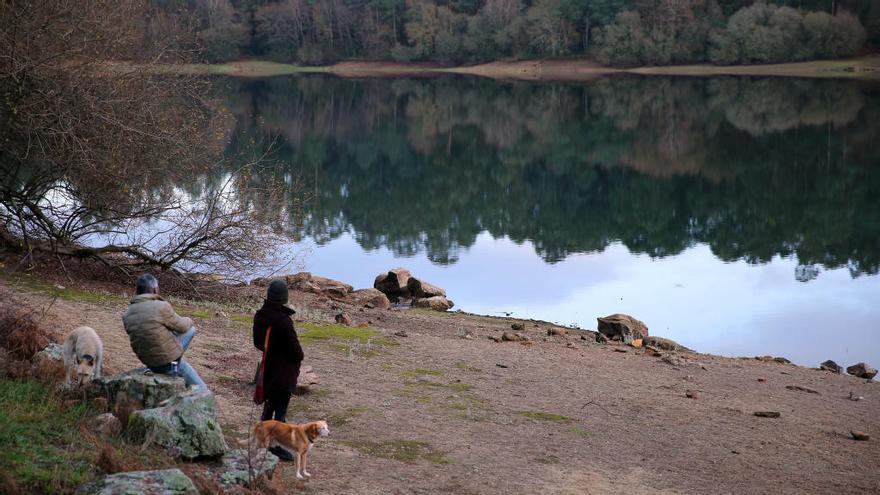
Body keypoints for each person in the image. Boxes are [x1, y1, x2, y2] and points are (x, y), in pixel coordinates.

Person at [122, 273, 207, 389]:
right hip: (166, 362)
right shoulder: (161, 306)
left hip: (148, 361)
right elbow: (182, 326)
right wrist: (190, 319)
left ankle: (163, 365)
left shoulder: (127, 314)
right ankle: (175, 368)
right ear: (155, 289)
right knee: (203, 389)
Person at [253, 279, 303, 424]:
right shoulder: (284, 321)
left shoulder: (260, 316)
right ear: (284, 298)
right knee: (280, 414)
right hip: (284, 375)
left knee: (268, 409)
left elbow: (258, 343)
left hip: (268, 370)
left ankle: (264, 441)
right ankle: (276, 445)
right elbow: (297, 353)